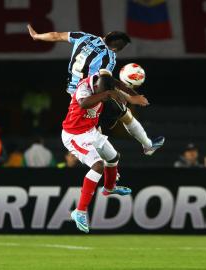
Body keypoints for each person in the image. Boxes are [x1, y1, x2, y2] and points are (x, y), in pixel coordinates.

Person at [27, 25, 164, 156]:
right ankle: (146, 146)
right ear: (116, 50)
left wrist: (37, 36)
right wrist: (129, 97)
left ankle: (135, 149)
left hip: (73, 91)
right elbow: (105, 84)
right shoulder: (109, 57)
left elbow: (56, 36)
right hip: (88, 93)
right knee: (122, 114)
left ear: (107, 35)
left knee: (95, 130)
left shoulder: (84, 37)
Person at [62, 70, 161, 233]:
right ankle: (79, 211)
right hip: (75, 135)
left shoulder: (106, 88)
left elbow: (110, 100)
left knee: (114, 157)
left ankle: (109, 188)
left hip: (91, 131)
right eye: (102, 92)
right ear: (96, 86)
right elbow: (83, 104)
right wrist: (107, 94)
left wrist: (118, 97)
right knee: (98, 166)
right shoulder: (85, 87)